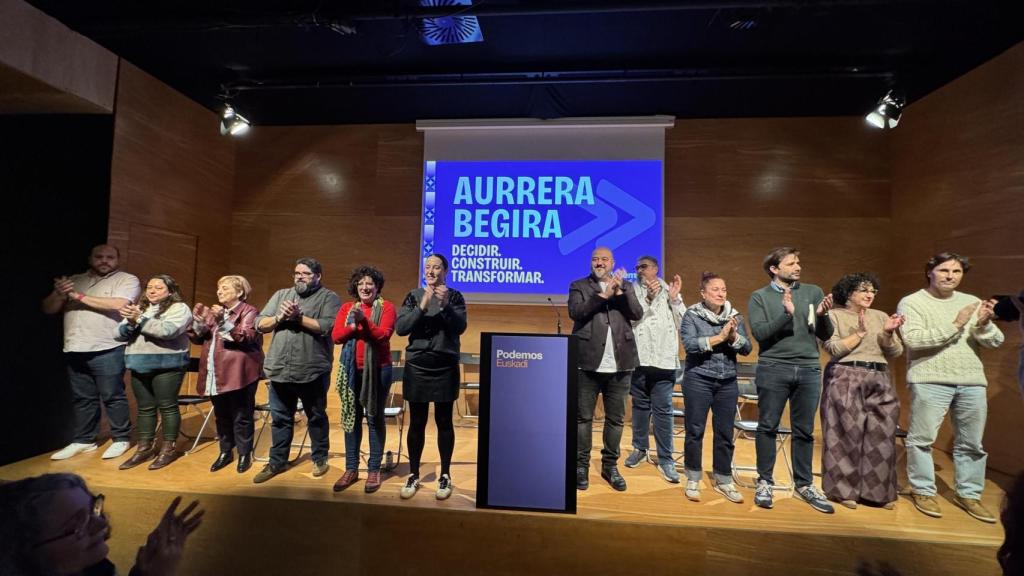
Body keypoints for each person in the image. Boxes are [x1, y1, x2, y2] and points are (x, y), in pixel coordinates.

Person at [897, 252, 1004, 523]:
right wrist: (956, 323)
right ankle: (922, 489)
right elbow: (914, 340)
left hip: (971, 381)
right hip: (929, 379)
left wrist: (982, 324)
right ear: (930, 272)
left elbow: (995, 342)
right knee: (921, 440)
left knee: (971, 443)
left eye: (956, 272)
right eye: (944, 270)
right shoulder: (912, 302)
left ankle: (968, 494)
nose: (950, 276)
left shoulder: (972, 302)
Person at [747, 246, 834, 513]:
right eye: (791, 263)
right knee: (768, 426)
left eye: (798, 262)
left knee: (804, 430)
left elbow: (825, 333)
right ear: (775, 269)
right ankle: (765, 482)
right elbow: (760, 334)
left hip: (808, 367)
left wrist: (822, 316)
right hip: (774, 367)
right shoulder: (759, 296)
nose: (798, 267)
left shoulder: (813, 292)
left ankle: (805, 484)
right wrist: (785, 314)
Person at [41, 244, 140, 461]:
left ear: (118, 260)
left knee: (112, 395)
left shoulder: (126, 279)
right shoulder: (75, 279)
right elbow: (48, 309)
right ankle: (84, 440)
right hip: (74, 346)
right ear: (90, 258)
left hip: (108, 347)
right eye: (99, 256)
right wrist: (59, 294)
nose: (104, 260)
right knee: (83, 398)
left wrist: (77, 295)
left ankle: (121, 438)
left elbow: (119, 304)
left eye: (110, 257)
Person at [0, 473, 203, 576]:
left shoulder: (96, 568)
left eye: (93, 509)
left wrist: (149, 572)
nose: (100, 525)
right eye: (76, 526)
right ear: (21, 551)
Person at [252, 257, 341, 484]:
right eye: (296, 273)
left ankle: (319, 457)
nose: (299, 277)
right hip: (280, 368)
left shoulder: (329, 298)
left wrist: (299, 317)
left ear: (317, 276)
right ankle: (277, 462)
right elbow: (259, 323)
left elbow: (327, 327)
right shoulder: (281, 295)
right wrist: (279, 317)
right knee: (280, 418)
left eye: (305, 273)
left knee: (316, 416)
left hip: (312, 370)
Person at [821, 273, 905, 509]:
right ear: (849, 293)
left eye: (873, 291)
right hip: (847, 374)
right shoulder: (833, 315)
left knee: (883, 434)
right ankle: (842, 490)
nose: (870, 295)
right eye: (864, 290)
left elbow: (896, 351)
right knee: (845, 433)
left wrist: (888, 333)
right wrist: (858, 333)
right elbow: (833, 348)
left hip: (880, 375)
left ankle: (876, 492)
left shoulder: (880, 316)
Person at [568, 246, 643, 492]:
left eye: (604, 259)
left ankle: (610, 465)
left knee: (616, 419)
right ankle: (581, 466)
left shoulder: (627, 287)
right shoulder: (579, 285)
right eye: (595, 259)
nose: (599, 262)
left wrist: (619, 292)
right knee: (582, 418)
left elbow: (636, 313)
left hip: (620, 364)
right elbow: (576, 312)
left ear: (612, 263)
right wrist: (602, 295)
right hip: (587, 362)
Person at [395, 254, 467, 500]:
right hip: (417, 367)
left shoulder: (455, 296)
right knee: (416, 422)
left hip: (445, 366)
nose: (431, 271)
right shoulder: (414, 296)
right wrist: (423, 304)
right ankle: (414, 473)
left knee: (445, 422)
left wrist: (445, 304)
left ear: (445, 271)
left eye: (436, 267)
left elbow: (460, 327)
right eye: (428, 267)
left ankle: (445, 475)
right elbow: (402, 328)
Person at [679, 272, 752, 503]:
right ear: (703, 293)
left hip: (727, 381)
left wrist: (732, 338)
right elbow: (690, 345)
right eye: (715, 290)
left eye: (724, 290)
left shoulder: (735, 317)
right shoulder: (692, 315)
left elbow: (747, 348)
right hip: (698, 378)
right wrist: (720, 337)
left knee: (724, 433)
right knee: (695, 430)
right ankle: (692, 477)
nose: (721, 293)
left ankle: (723, 479)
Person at [330, 266, 397, 494]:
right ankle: (351, 468)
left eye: (369, 284)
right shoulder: (347, 308)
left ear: (377, 287)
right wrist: (354, 325)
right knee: (352, 417)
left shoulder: (386, 307)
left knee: (374, 417)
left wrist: (363, 323)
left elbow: (383, 335)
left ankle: (374, 469)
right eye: (360, 284)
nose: (365, 287)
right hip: (351, 371)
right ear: (355, 287)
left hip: (379, 371)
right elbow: (336, 336)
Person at [189, 275, 264, 474]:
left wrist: (224, 321)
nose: (219, 292)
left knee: (242, 415)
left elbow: (246, 337)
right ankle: (225, 451)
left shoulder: (249, 311)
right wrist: (197, 322)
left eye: (225, 288)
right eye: (218, 288)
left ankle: (245, 453)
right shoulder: (216, 313)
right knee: (221, 415)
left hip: (240, 372)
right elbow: (199, 339)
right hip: (216, 370)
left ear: (239, 292)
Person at [116, 275, 191, 471]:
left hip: (167, 365)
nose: (152, 290)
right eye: (149, 287)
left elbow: (167, 331)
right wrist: (131, 322)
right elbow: (118, 334)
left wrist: (138, 319)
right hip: (139, 363)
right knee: (145, 408)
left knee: (167, 406)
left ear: (170, 291)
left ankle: (168, 449)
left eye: (158, 287)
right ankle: (144, 448)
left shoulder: (179, 308)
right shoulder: (140, 308)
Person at [624, 255, 684, 484]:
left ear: (655, 268)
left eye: (644, 266)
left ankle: (666, 458)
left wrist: (676, 299)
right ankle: (639, 448)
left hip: (664, 361)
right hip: (639, 359)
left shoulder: (670, 291)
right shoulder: (631, 290)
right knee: (639, 406)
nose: (639, 270)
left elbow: (684, 322)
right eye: (637, 267)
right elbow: (631, 319)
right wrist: (648, 298)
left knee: (663, 410)